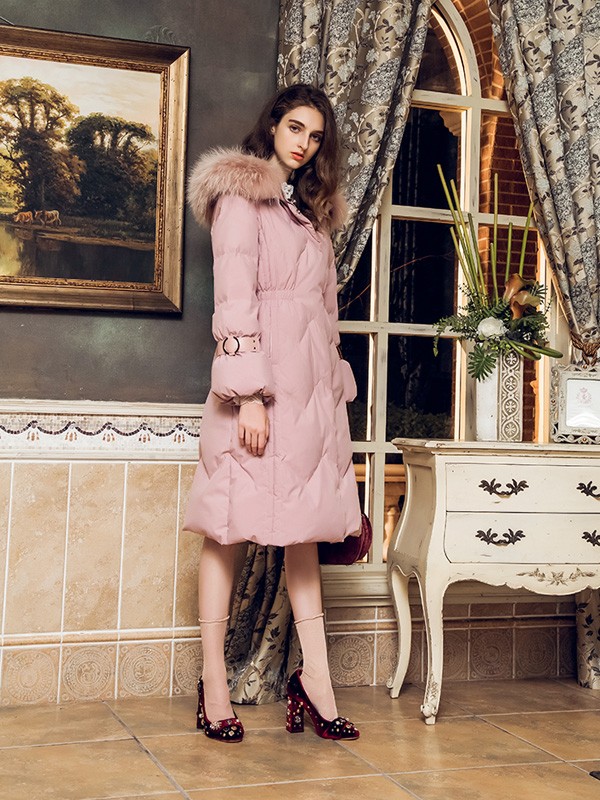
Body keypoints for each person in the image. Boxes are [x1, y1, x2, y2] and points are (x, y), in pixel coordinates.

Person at [184, 83, 362, 744]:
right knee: (227, 527)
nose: (304, 143)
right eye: (295, 128)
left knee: (304, 532)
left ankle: (317, 681)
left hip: (310, 398)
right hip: (257, 398)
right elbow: (233, 300)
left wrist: (332, 391)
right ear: (272, 126)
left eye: (315, 136)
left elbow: (324, 316)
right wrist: (249, 396)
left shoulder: (311, 215)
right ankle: (213, 685)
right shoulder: (240, 198)